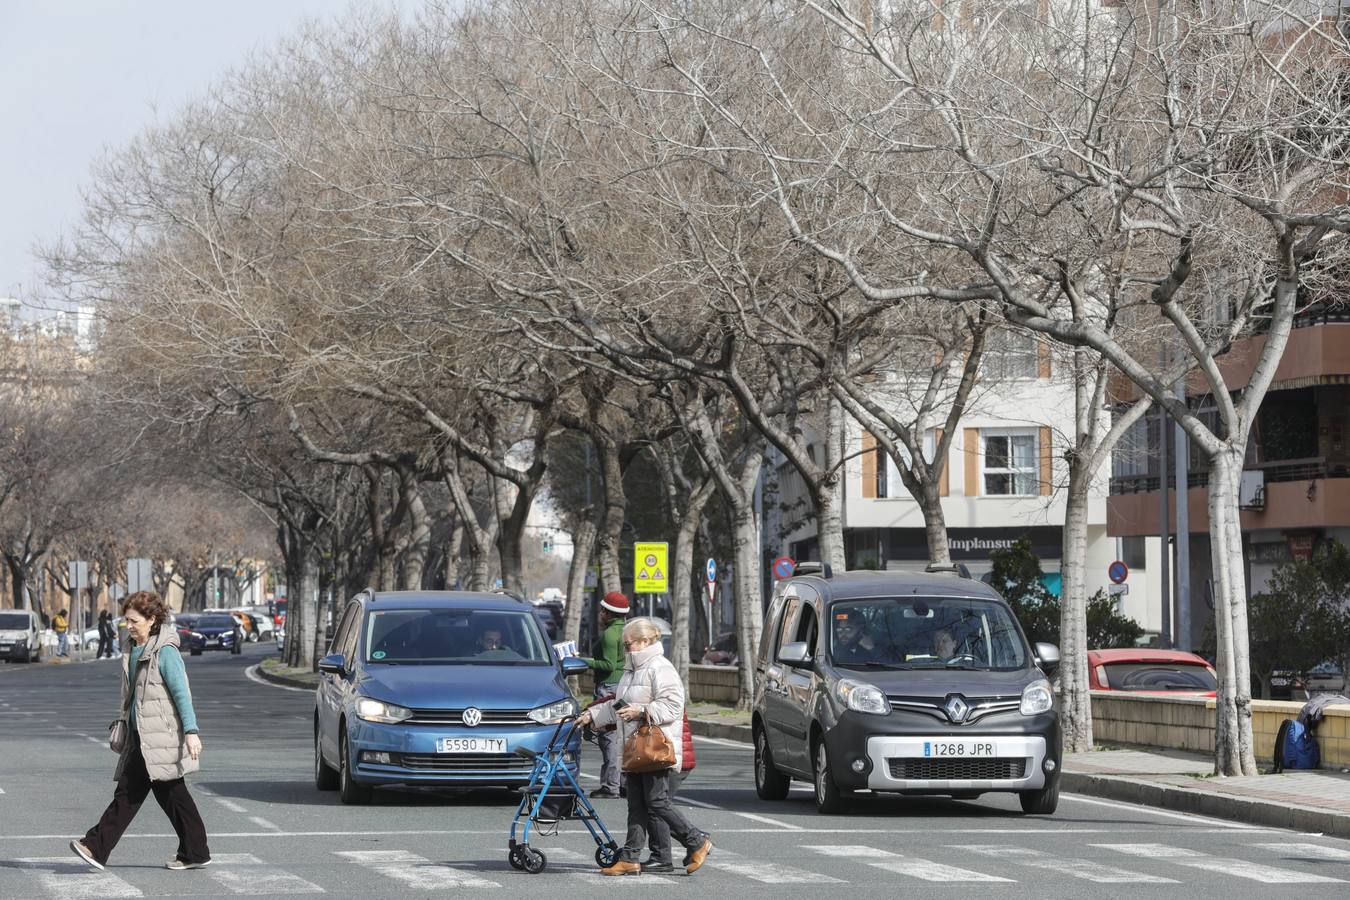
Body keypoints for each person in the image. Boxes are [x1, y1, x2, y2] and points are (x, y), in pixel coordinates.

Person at [70, 591, 210, 872]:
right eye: (126, 621)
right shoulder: (131, 649)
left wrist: (192, 731)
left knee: (129, 794)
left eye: (134, 621)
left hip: (159, 737)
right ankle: (195, 851)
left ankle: (96, 846)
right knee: (172, 794)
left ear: (152, 619)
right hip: (140, 735)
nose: (129, 626)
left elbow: (182, 694)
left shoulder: (165, 652)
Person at [577, 618, 713, 877]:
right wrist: (592, 716)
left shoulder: (660, 667)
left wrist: (642, 710)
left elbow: (673, 706)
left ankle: (696, 841)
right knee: (637, 805)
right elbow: (618, 704)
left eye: (629, 645)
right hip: (635, 748)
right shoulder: (632, 671)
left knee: (657, 801)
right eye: (625, 645)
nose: (626, 650)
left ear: (646, 642)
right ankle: (630, 857)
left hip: (654, 747)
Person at [582, 592, 628, 799]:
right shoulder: (626, 630)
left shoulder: (610, 635)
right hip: (623, 686)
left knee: (608, 736)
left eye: (603, 610)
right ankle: (624, 783)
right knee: (623, 736)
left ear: (609, 613)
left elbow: (608, 665)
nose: (600, 613)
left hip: (608, 686)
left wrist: (585, 661)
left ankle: (611, 786)